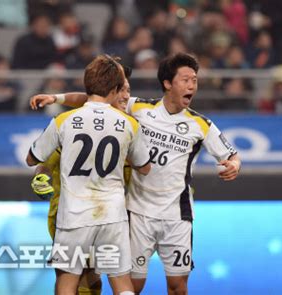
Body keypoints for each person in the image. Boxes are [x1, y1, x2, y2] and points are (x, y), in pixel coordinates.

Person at [29, 53, 241, 295]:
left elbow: (231, 155)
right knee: (128, 284)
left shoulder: (201, 124)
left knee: (178, 287)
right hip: (137, 212)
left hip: (176, 215)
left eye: (195, 80)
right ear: (168, 83)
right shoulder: (138, 109)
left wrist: (234, 165)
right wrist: (57, 98)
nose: (192, 85)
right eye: (185, 80)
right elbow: (92, 100)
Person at [26, 54, 151, 295]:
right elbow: (145, 167)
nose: (126, 95)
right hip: (111, 215)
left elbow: (34, 158)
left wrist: (57, 98)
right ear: (114, 89)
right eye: (122, 89)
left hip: (73, 215)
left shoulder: (64, 120)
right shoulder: (129, 125)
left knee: (70, 283)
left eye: (129, 90)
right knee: (117, 283)